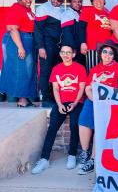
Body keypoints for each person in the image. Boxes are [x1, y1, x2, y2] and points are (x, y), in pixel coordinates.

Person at [31, 45, 86, 174]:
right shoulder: (56, 68)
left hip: (77, 102)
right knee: (52, 128)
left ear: (73, 54)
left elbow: (82, 88)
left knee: (74, 125)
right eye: (63, 52)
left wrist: (75, 103)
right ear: (60, 54)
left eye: (68, 52)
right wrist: (59, 104)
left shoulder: (80, 68)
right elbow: (55, 88)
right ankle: (44, 160)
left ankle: (72, 155)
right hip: (61, 102)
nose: (65, 55)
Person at [77, 41, 118, 175]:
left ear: (113, 55)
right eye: (105, 52)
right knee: (83, 121)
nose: (107, 55)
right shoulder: (95, 69)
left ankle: (93, 159)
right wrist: (95, 100)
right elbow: (87, 88)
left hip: (109, 102)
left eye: (111, 53)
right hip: (93, 100)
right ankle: (85, 153)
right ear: (100, 54)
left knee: (100, 127)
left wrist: (105, 102)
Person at [0, 0, 37, 106]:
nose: (29, 0)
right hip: (17, 41)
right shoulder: (15, 8)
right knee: (22, 70)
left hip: (26, 39)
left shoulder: (26, 9)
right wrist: (20, 47)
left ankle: (25, 97)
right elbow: (12, 29)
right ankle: (22, 100)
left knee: (28, 70)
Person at [35, 0, 65, 107]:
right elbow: (37, 30)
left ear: (63, 0)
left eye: (59, 0)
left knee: (55, 72)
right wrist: (41, 47)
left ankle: (54, 97)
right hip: (46, 44)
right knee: (45, 72)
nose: (56, 1)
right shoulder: (43, 8)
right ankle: (46, 99)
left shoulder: (62, 10)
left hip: (57, 46)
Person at [79, 0, 111, 71]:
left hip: (107, 48)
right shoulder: (87, 11)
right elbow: (81, 28)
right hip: (93, 47)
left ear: (104, 0)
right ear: (92, 1)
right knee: (93, 72)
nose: (98, 1)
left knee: (106, 72)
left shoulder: (108, 13)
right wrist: (83, 43)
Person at [61, 0, 85, 66]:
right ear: (70, 3)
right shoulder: (67, 14)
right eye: (74, 2)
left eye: (79, 1)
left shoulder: (79, 14)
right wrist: (73, 49)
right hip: (72, 48)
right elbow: (67, 33)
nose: (77, 4)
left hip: (80, 47)